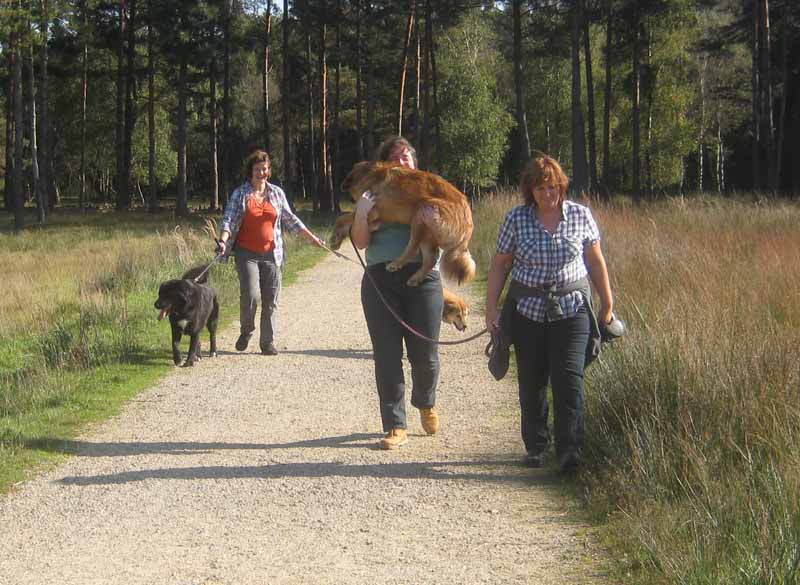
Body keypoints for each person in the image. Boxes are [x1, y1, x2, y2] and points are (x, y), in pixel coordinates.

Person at [484, 154, 614, 472]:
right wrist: (491, 310)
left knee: (569, 380)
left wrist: (607, 304)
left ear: (562, 186)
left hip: (571, 310)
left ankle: (570, 451)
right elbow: (501, 264)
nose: (548, 194)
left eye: (553, 187)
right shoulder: (516, 219)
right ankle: (536, 446)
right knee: (531, 381)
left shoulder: (581, 216)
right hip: (527, 311)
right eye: (540, 188)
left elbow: (595, 262)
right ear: (531, 190)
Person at [351, 136, 444, 450]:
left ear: (415, 162)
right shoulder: (374, 193)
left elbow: (451, 236)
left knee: (425, 353)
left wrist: (436, 223)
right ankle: (395, 425)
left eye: (408, 157)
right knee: (387, 355)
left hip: (424, 276)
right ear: (385, 165)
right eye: (396, 157)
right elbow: (361, 242)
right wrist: (362, 212)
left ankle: (426, 401)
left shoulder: (432, 190)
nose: (403, 162)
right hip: (380, 277)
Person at [217, 149, 324, 355]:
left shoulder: (276, 193)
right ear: (251, 171)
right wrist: (223, 241)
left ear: (269, 171)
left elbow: (291, 219)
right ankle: (246, 330)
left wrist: (312, 238)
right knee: (251, 294)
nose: (261, 173)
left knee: (271, 299)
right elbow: (229, 219)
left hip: (272, 254)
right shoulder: (241, 194)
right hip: (246, 253)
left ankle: (267, 342)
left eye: (264, 169)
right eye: (257, 169)